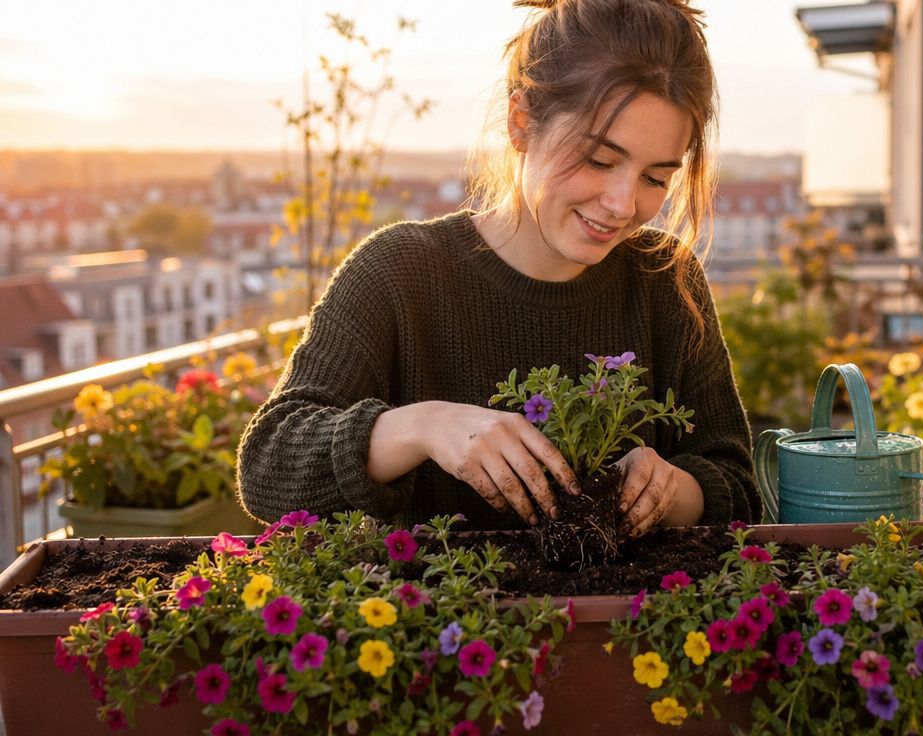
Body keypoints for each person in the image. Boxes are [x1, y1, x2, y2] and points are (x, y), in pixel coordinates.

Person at [236, 0, 760, 537]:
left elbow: (738, 487)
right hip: (440, 616)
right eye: (600, 161)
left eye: (655, 178)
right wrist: (423, 426)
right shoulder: (398, 271)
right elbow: (268, 467)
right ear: (521, 123)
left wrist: (670, 490)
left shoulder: (664, 279)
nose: (623, 204)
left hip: (627, 620)